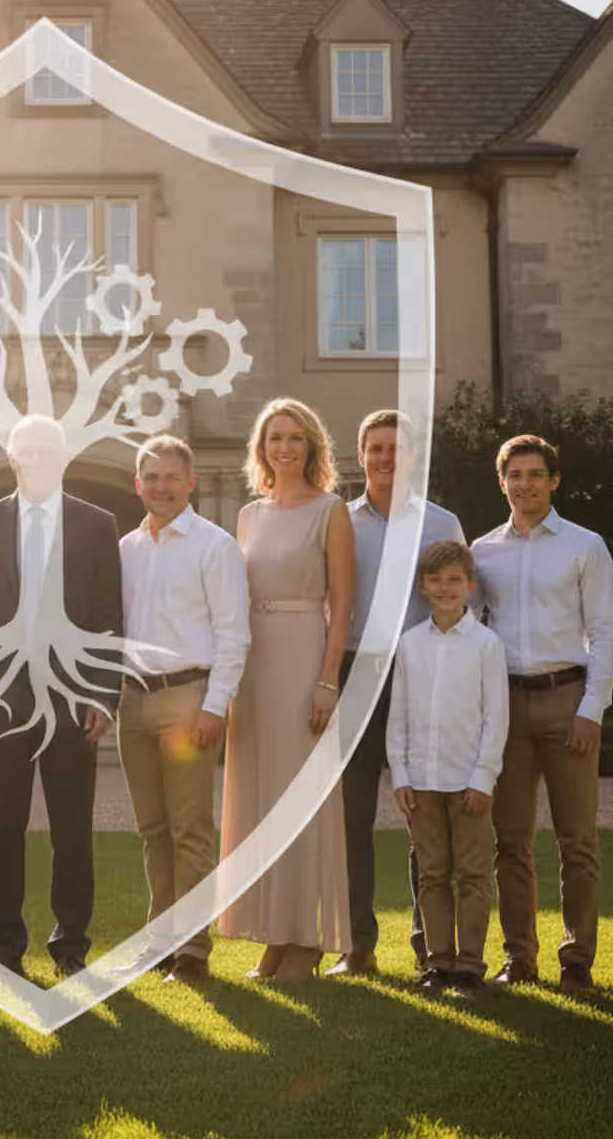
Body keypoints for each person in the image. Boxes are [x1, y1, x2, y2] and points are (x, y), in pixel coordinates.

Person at [0, 414, 123, 979]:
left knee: (72, 827)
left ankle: (71, 947)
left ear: (65, 458)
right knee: (2, 826)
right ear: (12, 459)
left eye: (50, 451)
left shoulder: (98, 524)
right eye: (28, 451)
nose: (39, 460)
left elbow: (107, 618)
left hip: (72, 697)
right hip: (2, 698)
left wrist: (105, 695)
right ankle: (3, 947)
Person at [471, 434, 613, 993]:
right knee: (509, 842)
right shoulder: (482, 551)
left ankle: (577, 960)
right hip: (505, 706)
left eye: (536, 474)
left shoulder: (585, 547)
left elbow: (607, 633)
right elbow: (467, 632)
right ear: (502, 481)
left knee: (577, 840)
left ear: (554, 481)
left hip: (568, 702)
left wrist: (592, 711)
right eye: (515, 474)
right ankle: (520, 957)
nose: (525, 484)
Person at [219, 397, 355, 983]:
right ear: (262, 448)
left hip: (304, 654)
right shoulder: (248, 516)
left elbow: (343, 605)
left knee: (302, 799)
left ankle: (306, 939)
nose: (285, 447)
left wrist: (327, 682)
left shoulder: (332, 511)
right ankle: (274, 937)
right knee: (261, 801)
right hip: (254, 662)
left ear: (312, 447)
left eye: (296, 438)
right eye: (275, 437)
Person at [330, 409, 465, 979]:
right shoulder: (338, 521)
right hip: (353, 677)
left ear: (412, 458)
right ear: (361, 457)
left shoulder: (442, 524)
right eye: (376, 449)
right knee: (349, 821)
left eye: (397, 449)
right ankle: (357, 946)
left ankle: (431, 948)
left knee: (427, 817)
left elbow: (465, 605)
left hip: (420, 678)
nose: (386, 458)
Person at [116, 435, 251, 985]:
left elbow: (233, 635)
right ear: (138, 483)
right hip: (134, 702)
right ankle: (160, 942)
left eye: (173, 478)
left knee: (190, 829)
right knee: (152, 831)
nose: (162, 487)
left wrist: (215, 706)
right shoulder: (125, 549)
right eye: (152, 478)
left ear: (190, 483)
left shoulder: (214, 546)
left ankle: (192, 952)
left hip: (188, 700)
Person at [389, 540, 508, 996]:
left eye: (454, 580)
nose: (445, 588)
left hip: (468, 782)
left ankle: (470, 967)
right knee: (432, 873)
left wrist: (483, 777)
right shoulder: (410, 645)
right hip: (422, 783)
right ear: (422, 587)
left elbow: (496, 718)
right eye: (435, 581)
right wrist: (400, 774)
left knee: (474, 874)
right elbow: (397, 715)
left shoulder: (486, 646)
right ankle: (438, 964)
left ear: (470, 585)